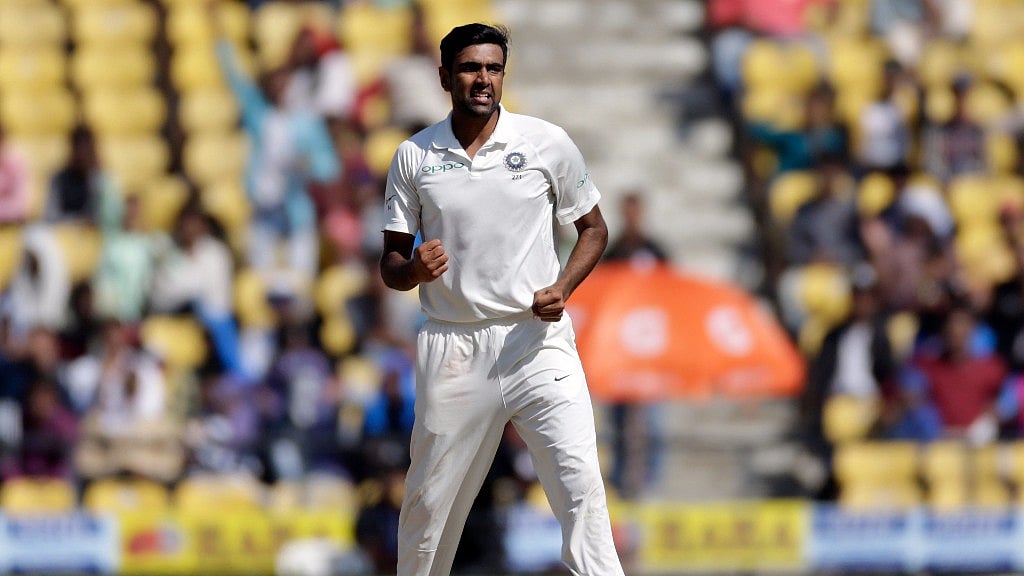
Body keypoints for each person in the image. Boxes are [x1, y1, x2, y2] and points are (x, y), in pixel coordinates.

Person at [379, 23, 625, 576]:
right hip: (455, 345)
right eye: (470, 68)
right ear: (445, 76)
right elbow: (390, 264)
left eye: (493, 68)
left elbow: (594, 229)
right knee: (429, 503)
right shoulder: (415, 156)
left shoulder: (546, 142)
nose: (483, 79)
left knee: (580, 482)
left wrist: (562, 287)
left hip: (535, 340)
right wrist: (414, 268)